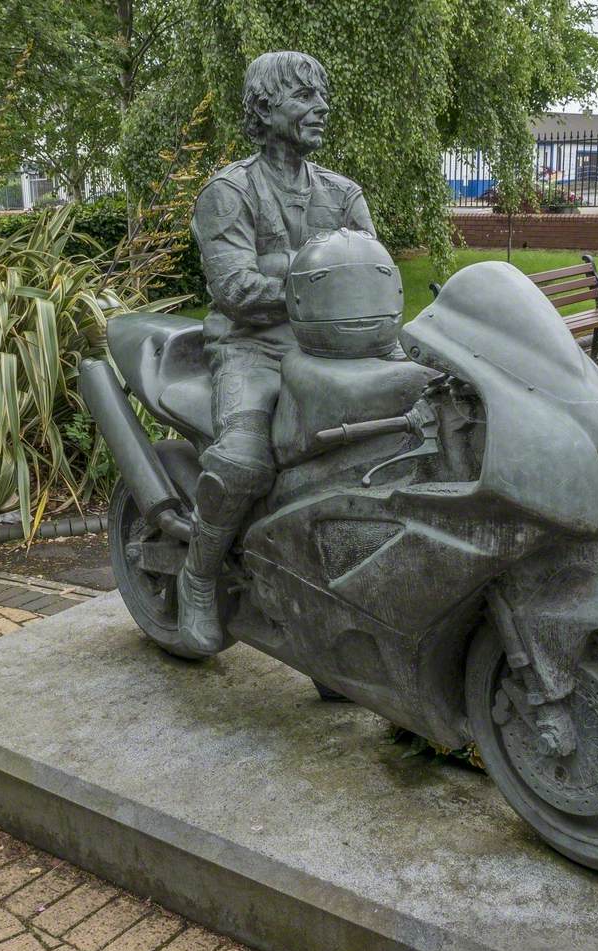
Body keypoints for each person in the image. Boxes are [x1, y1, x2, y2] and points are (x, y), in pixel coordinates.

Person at [181, 51, 376, 656]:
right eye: (303, 97)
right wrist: (321, 277)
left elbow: (372, 272)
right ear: (265, 109)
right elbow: (237, 290)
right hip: (253, 351)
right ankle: (198, 577)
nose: (321, 108)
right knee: (243, 460)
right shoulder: (229, 192)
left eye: (322, 95)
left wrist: (287, 271)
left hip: (338, 349)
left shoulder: (343, 194)